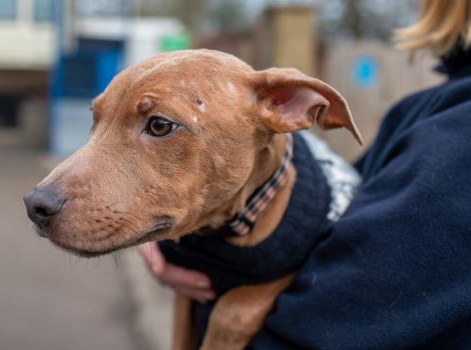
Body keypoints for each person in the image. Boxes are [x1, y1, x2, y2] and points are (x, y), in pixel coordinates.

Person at [139, 0, 471, 348]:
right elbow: (343, 217)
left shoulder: (456, 132)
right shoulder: (422, 109)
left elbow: (324, 314)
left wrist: (231, 308)